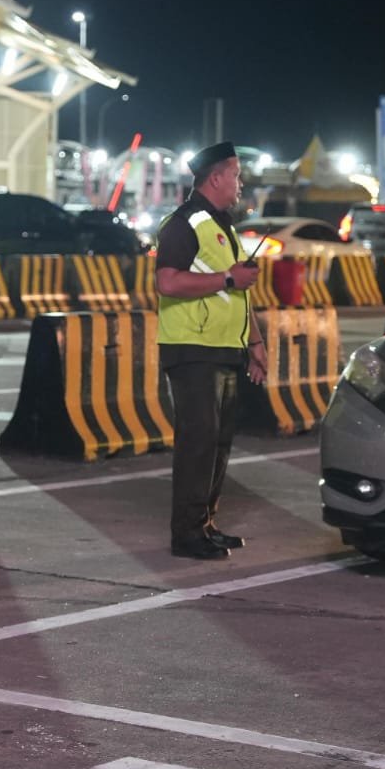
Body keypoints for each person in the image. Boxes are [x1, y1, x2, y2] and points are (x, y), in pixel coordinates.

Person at [154, 141, 266, 560]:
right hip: (192, 349)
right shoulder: (184, 223)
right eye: (236, 174)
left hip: (224, 349)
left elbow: (237, 293)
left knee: (217, 445)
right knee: (198, 444)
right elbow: (167, 282)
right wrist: (228, 279)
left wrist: (255, 343)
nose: (241, 183)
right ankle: (185, 534)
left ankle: (205, 525)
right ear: (216, 177)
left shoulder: (224, 227)